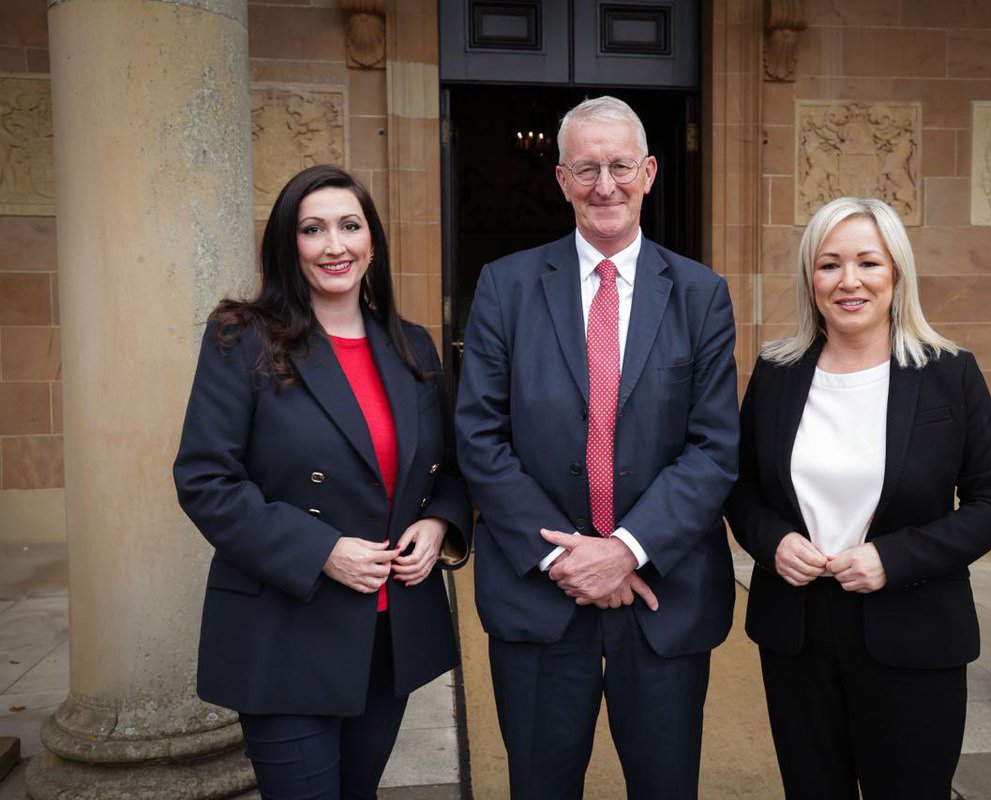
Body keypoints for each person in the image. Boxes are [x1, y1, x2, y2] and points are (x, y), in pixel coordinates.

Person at [455, 95, 739, 800]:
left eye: (618, 166)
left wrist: (624, 550)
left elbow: (714, 447)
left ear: (648, 172)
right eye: (586, 168)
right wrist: (566, 556)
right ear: (560, 178)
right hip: (539, 595)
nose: (603, 185)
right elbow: (479, 437)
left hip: (661, 597)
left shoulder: (702, 295)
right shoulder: (505, 287)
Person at [173, 164, 471, 799]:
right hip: (286, 634)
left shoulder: (414, 347)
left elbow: (452, 468)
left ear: (372, 240)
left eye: (350, 226)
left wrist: (439, 522)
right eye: (314, 229)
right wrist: (322, 551)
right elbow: (206, 480)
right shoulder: (241, 338)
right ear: (289, 244)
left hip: (387, 638)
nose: (335, 245)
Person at [725, 197, 991, 800]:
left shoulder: (949, 373)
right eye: (829, 265)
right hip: (798, 634)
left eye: (868, 263)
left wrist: (896, 558)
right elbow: (741, 485)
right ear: (811, 279)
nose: (849, 281)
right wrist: (773, 541)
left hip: (914, 631)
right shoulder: (778, 371)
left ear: (897, 274)